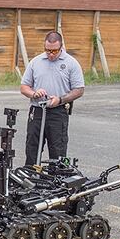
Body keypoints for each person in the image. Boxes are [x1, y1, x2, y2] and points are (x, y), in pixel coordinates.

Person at [20, 31, 85, 165]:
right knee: (32, 147)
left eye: (54, 51)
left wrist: (60, 100)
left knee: (58, 149)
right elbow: (24, 86)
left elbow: (79, 90)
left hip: (58, 111)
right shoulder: (36, 62)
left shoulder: (71, 63)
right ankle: (31, 177)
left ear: (61, 47)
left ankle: (56, 179)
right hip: (37, 110)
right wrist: (34, 93)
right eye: (47, 50)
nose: (50, 54)